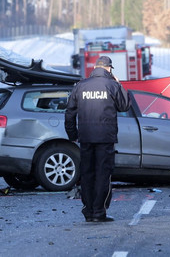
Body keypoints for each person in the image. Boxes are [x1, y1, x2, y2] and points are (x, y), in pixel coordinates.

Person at [65, 55, 130, 223]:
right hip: (105, 138)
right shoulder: (112, 85)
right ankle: (99, 212)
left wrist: (73, 135)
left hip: (85, 138)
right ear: (109, 69)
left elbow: (69, 113)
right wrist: (119, 84)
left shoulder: (80, 86)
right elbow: (124, 106)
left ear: (95, 68)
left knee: (87, 174)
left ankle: (89, 211)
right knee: (103, 174)